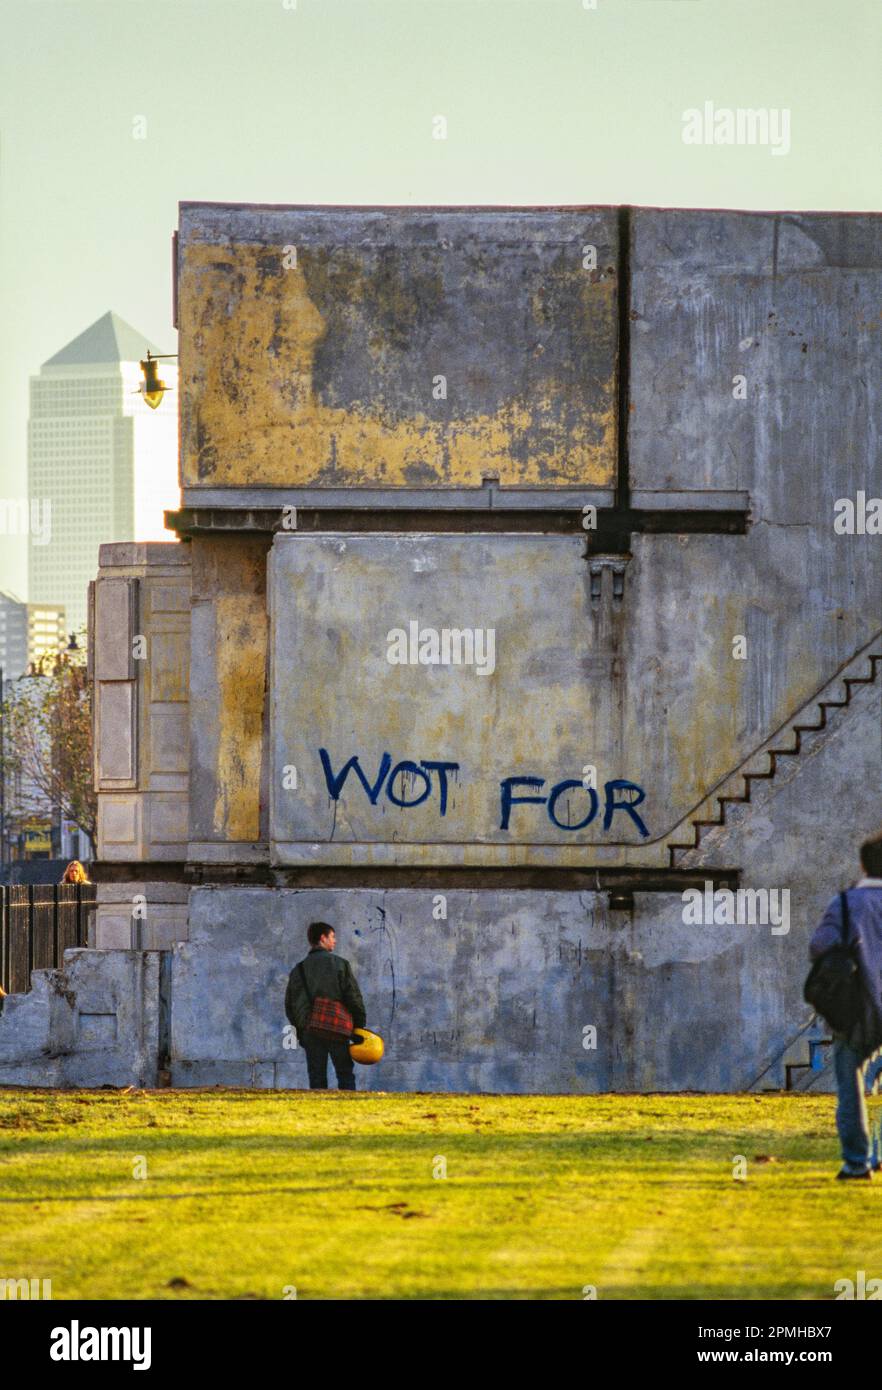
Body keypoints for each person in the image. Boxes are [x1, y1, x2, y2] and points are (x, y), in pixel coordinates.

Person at [809, 830, 882, 1179]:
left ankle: (857, 1162)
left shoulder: (847, 903)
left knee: (850, 1084)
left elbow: (821, 946)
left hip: (859, 1010)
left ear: (863, 865)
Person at [285, 921, 366, 1091]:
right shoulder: (340, 964)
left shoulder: (298, 969)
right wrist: (358, 1027)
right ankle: (349, 1110)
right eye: (332, 937)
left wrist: (301, 1030)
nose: (335, 941)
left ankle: (318, 1113)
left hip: (311, 1030)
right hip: (338, 1028)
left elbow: (290, 1005)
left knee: (316, 1076)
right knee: (345, 1074)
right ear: (323, 938)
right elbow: (353, 997)